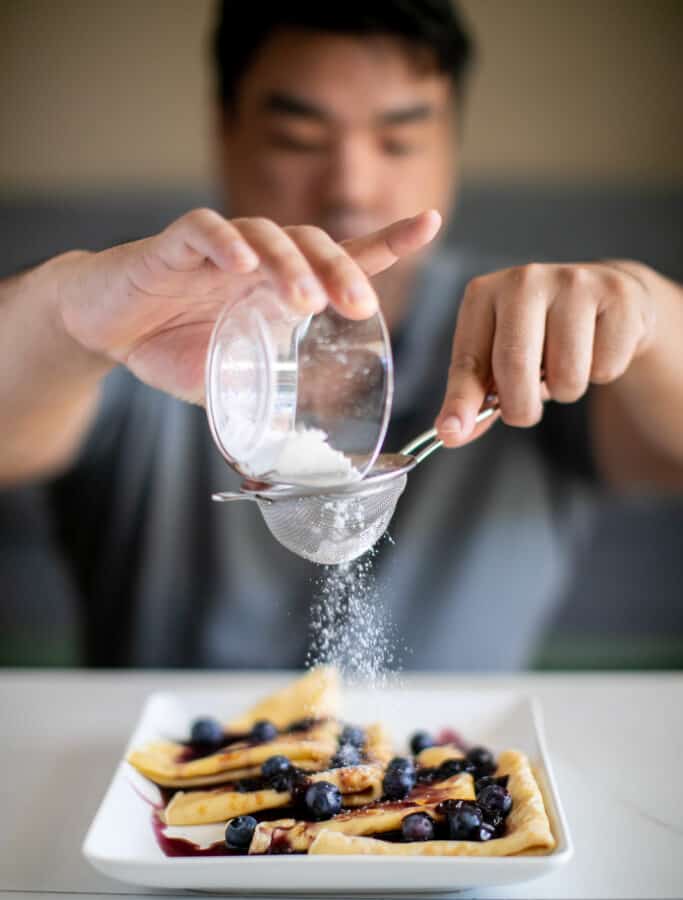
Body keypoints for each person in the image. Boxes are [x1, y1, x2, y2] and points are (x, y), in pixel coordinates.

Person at [1, 2, 681, 670]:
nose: (349, 189)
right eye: (298, 140)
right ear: (224, 130)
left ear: (451, 144)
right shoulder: (140, 320)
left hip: (449, 770)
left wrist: (647, 313)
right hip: (163, 773)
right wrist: (64, 313)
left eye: (398, 140)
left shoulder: (520, 332)